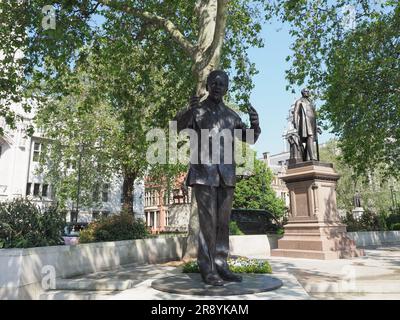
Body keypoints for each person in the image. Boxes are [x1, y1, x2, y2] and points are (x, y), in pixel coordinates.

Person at [175, 70, 261, 286]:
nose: (218, 86)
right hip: (203, 174)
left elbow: (249, 139)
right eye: (214, 82)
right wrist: (188, 110)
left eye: (222, 83)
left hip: (227, 175)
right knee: (207, 223)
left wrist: (255, 125)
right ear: (207, 85)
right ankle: (208, 268)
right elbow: (176, 128)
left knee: (223, 223)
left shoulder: (232, 116)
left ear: (227, 88)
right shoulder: (198, 110)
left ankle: (221, 264)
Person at [293, 88, 321, 161]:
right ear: (302, 93)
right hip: (305, 121)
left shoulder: (311, 102)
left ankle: (307, 157)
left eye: (308, 91)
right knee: (310, 136)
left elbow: (314, 114)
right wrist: (295, 123)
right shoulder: (299, 101)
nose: (308, 92)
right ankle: (312, 157)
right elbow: (296, 112)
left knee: (311, 138)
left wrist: (317, 126)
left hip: (312, 121)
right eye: (306, 91)